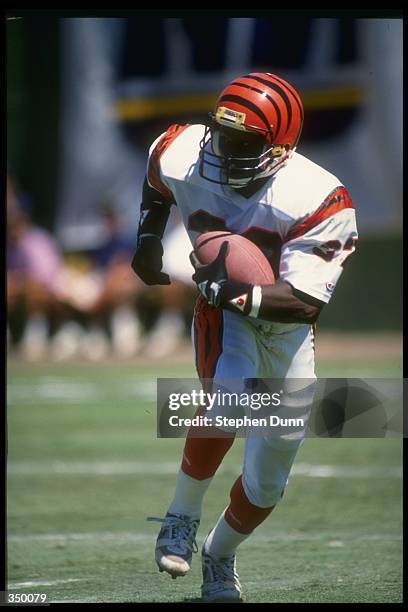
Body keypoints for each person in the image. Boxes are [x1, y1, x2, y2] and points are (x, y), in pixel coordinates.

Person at [131, 72, 358, 603]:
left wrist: (235, 289)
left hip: (286, 330)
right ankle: (180, 518)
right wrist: (147, 236)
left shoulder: (317, 197)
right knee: (230, 401)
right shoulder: (181, 149)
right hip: (224, 316)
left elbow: (304, 303)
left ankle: (221, 555)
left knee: (268, 480)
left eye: (245, 141)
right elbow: (158, 179)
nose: (226, 148)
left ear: (281, 145)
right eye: (221, 133)